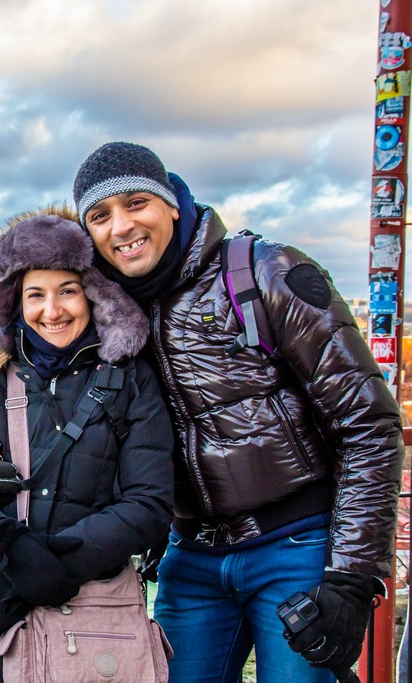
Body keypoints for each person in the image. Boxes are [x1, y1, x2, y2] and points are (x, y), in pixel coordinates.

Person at [71, 141, 404, 682]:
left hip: (296, 546)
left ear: (171, 204)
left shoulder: (264, 272)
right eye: (100, 216)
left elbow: (369, 423)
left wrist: (351, 577)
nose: (122, 226)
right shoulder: (111, 315)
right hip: (192, 554)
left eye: (136, 203)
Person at [0, 212, 174, 682]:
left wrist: (55, 563)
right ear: (15, 303)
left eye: (67, 291)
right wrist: (3, 540)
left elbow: (150, 502)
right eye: (36, 295)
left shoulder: (131, 380)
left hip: (87, 617)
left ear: (94, 297)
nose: (52, 311)